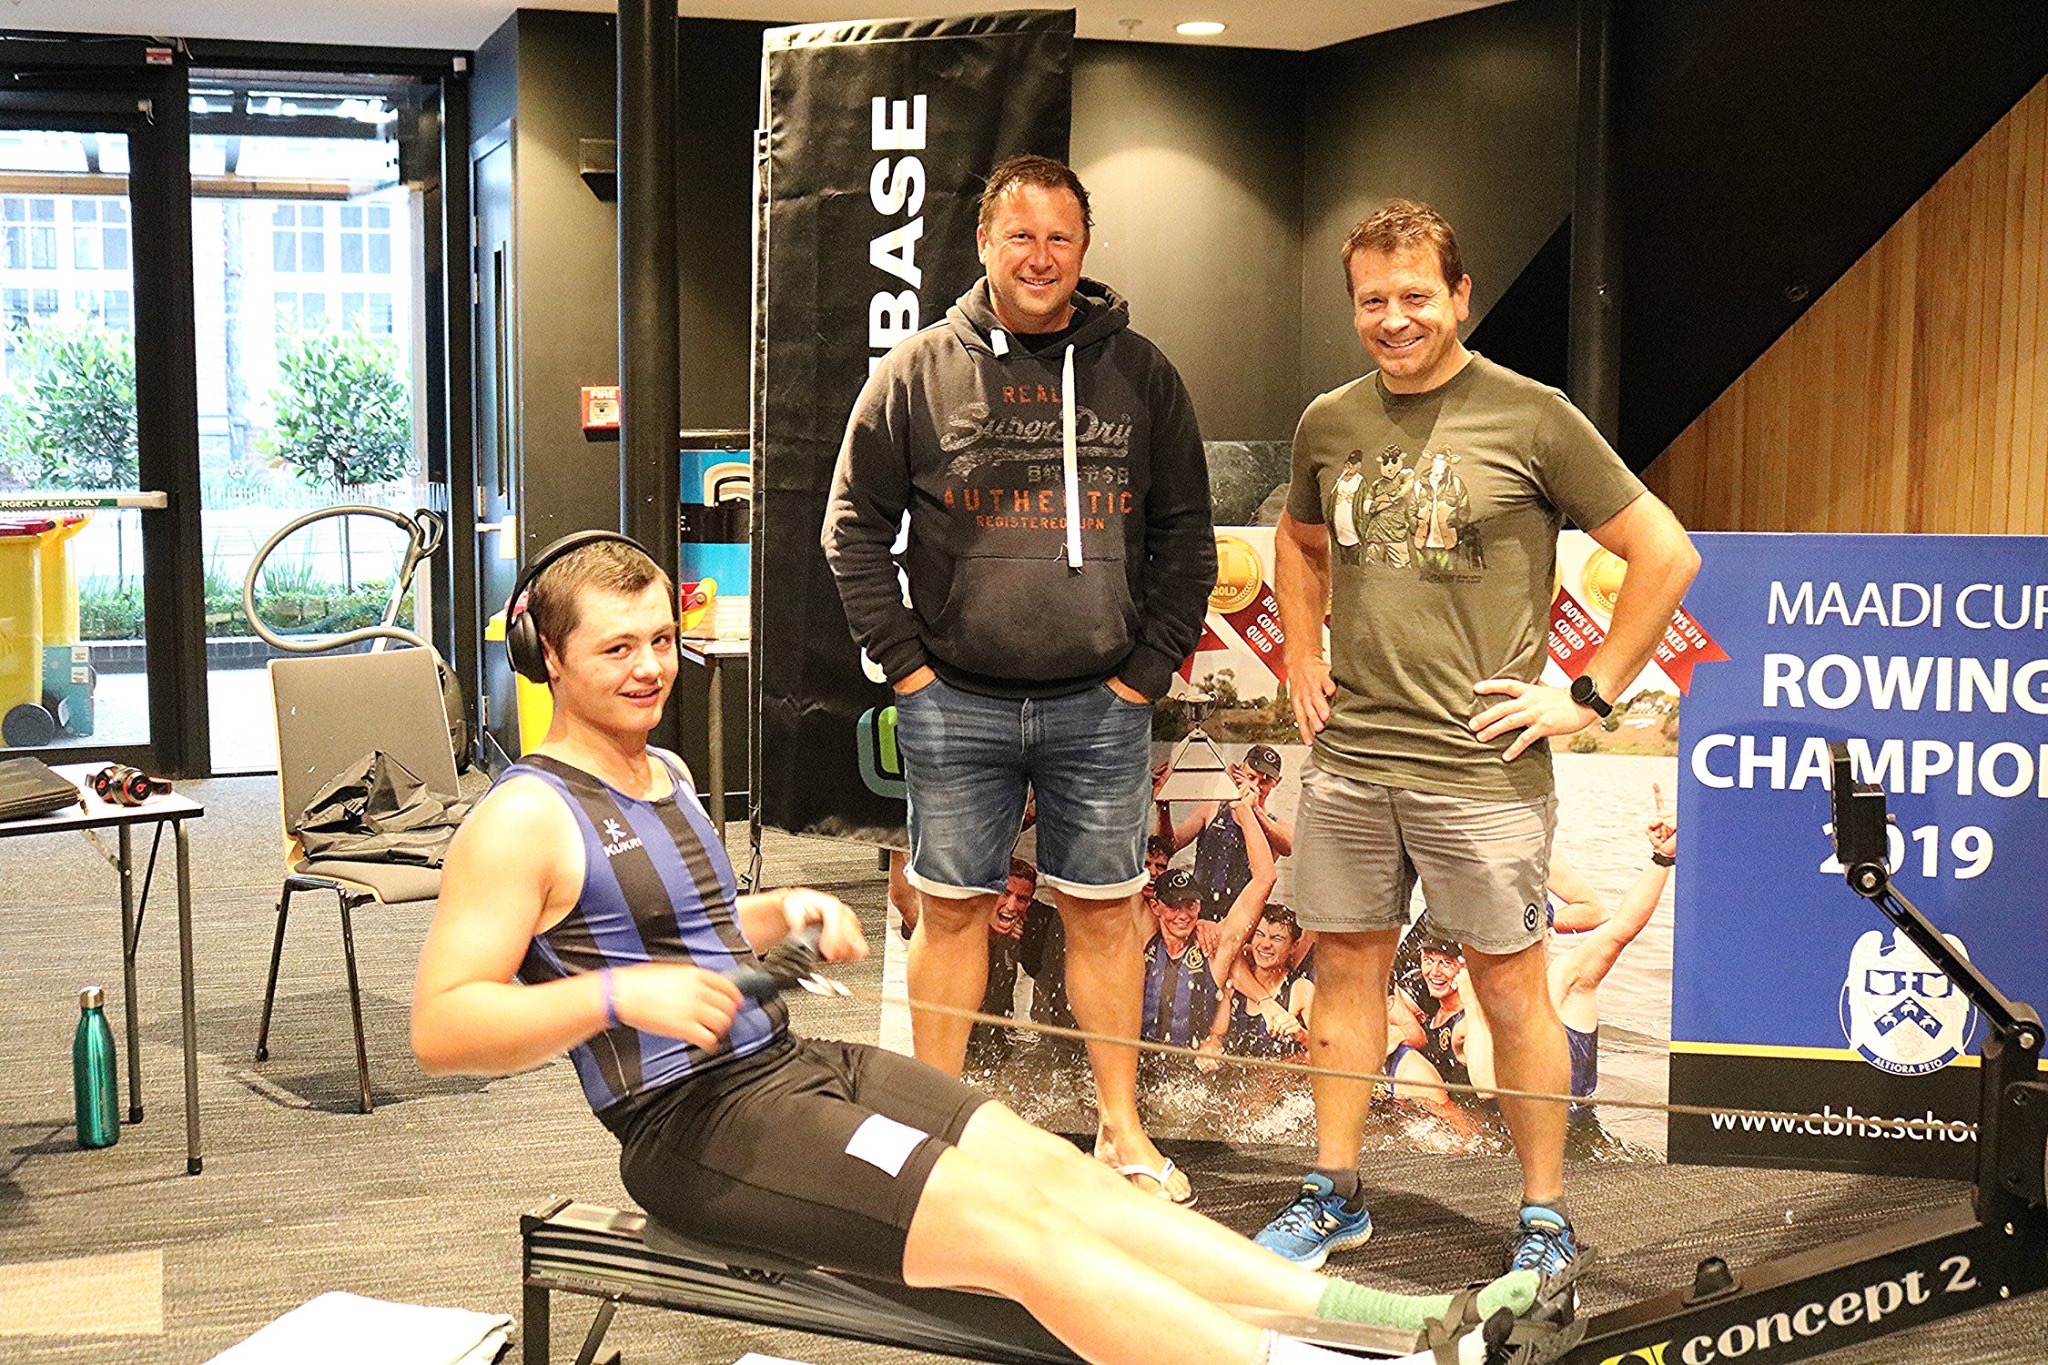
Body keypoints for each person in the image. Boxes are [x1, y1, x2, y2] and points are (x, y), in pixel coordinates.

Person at [410, 538, 1549, 1365]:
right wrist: (623, 992)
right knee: (1017, 1241)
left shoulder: (657, 771)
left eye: (662, 639)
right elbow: (446, 1027)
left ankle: (1404, 1328)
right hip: (689, 1128)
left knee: (1071, 1179)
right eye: (617, 648)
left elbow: (678, 937)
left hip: (791, 1067)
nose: (650, 666)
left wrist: (777, 918)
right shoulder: (521, 817)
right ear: (545, 658)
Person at [1259, 199, 1701, 1277]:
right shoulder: (1329, 420)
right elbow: (1298, 538)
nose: (1394, 319)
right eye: (1373, 300)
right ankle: (1334, 1194)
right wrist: (1302, 657)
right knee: (1346, 980)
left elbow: (1664, 554)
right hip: (1355, 761)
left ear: (1458, 297)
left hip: (1481, 771)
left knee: (1512, 992)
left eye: (1416, 297)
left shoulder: (1533, 414)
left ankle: (1543, 1216)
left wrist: (1585, 697)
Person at [823, 153, 1217, 1204]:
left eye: (1059, 238)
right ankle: (930, 1137)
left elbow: (1187, 538)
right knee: (949, 913)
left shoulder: (1142, 371)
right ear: (984, 246)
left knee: (1102, 913)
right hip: (954, 700)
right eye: (1019, 236)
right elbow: (849, 529)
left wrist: (1143, 673)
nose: (1039, 256)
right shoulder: (916, 370)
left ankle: (1121, 1132)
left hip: (1102, 704)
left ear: (1081, 252)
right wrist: (906, 667)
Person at [1465, 811, 1678, 1140]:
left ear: (1548, 936)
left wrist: (1662, 858)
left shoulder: (1566, 978)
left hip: (1571, 1138)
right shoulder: (1492, 985)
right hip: (1507, 1132)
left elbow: (1622, 928)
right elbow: (1482, 1080)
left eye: (1529, 934)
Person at [1161, 744, 1295, 922]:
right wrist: (1163, 805)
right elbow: (1168, 846)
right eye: (1251, 777)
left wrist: (1253, 809)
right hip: (1200, 913)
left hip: (1242, 918)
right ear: (1238, 771)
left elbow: (1288, 847)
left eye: (1265, 782)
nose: (1255, 786)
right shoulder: (1212, 807)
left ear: (1276, 783)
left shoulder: (1275, 825)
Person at [1222, 905, 1314, 1060]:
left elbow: (1328, 1053)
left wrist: (1302, 1035)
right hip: (1232, 1079)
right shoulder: (1234, 982)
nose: (1265, 944)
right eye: (1259, 934)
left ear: (1294, 946)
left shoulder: (1301, 989)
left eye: (1276, 938)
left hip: (1277, 1080)